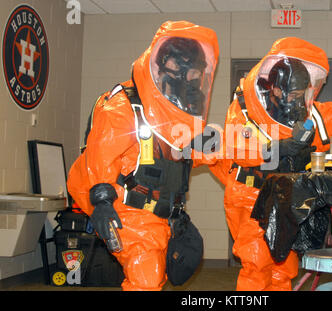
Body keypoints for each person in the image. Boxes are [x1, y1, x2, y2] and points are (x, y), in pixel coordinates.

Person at [67, 21, 219, 291]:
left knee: (154, 277)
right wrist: (101, 201)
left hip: (159, 215)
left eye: (193, 74)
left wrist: (231, 149)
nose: (187, 81)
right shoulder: (122, 106)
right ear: (163, 67)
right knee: (146, 278)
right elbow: (100, 158)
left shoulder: (177, 111)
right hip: (125, 207)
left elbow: (182, 154)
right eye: (181, 72)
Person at [208, 37, 332, 291]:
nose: (299, 101)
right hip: (250, 196)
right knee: (257, 265)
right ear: (276, 90)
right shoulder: (244, 109)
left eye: (303, 94)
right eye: (295, 95)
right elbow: (239, 150)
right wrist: (281, 148)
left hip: (284, 197)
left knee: (283, 268)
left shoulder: (305, 110)